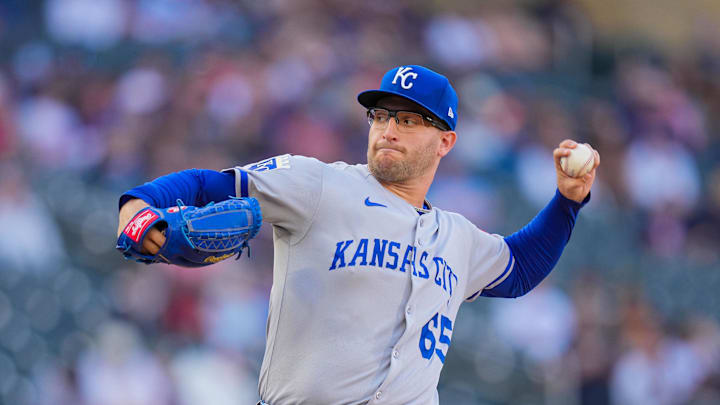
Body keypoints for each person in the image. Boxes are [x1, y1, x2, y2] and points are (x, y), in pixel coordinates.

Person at [117, 65, 600, 405]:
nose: (389, 128)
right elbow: (207, 184)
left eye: (408, 120)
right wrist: (138, 205)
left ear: (445, 141)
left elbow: (519, 269)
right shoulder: (319, 183)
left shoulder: (458, 236)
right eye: (381, 115)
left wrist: (568, 202)